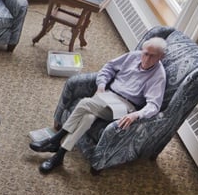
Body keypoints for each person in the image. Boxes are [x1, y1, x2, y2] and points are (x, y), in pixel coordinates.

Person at [31, 37, 168, 174]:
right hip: (108, 95)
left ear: (161, 57)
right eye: (145, 53)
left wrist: (136, 114)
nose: (146, 58)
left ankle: (55, 139)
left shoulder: (158, 76)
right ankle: (59, 155)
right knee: (88, 118)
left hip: (124, 106)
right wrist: (101, 85)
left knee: (84, 103)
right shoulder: (133, 56)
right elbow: (109, 67)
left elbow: (154, 105)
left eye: (152, 56)